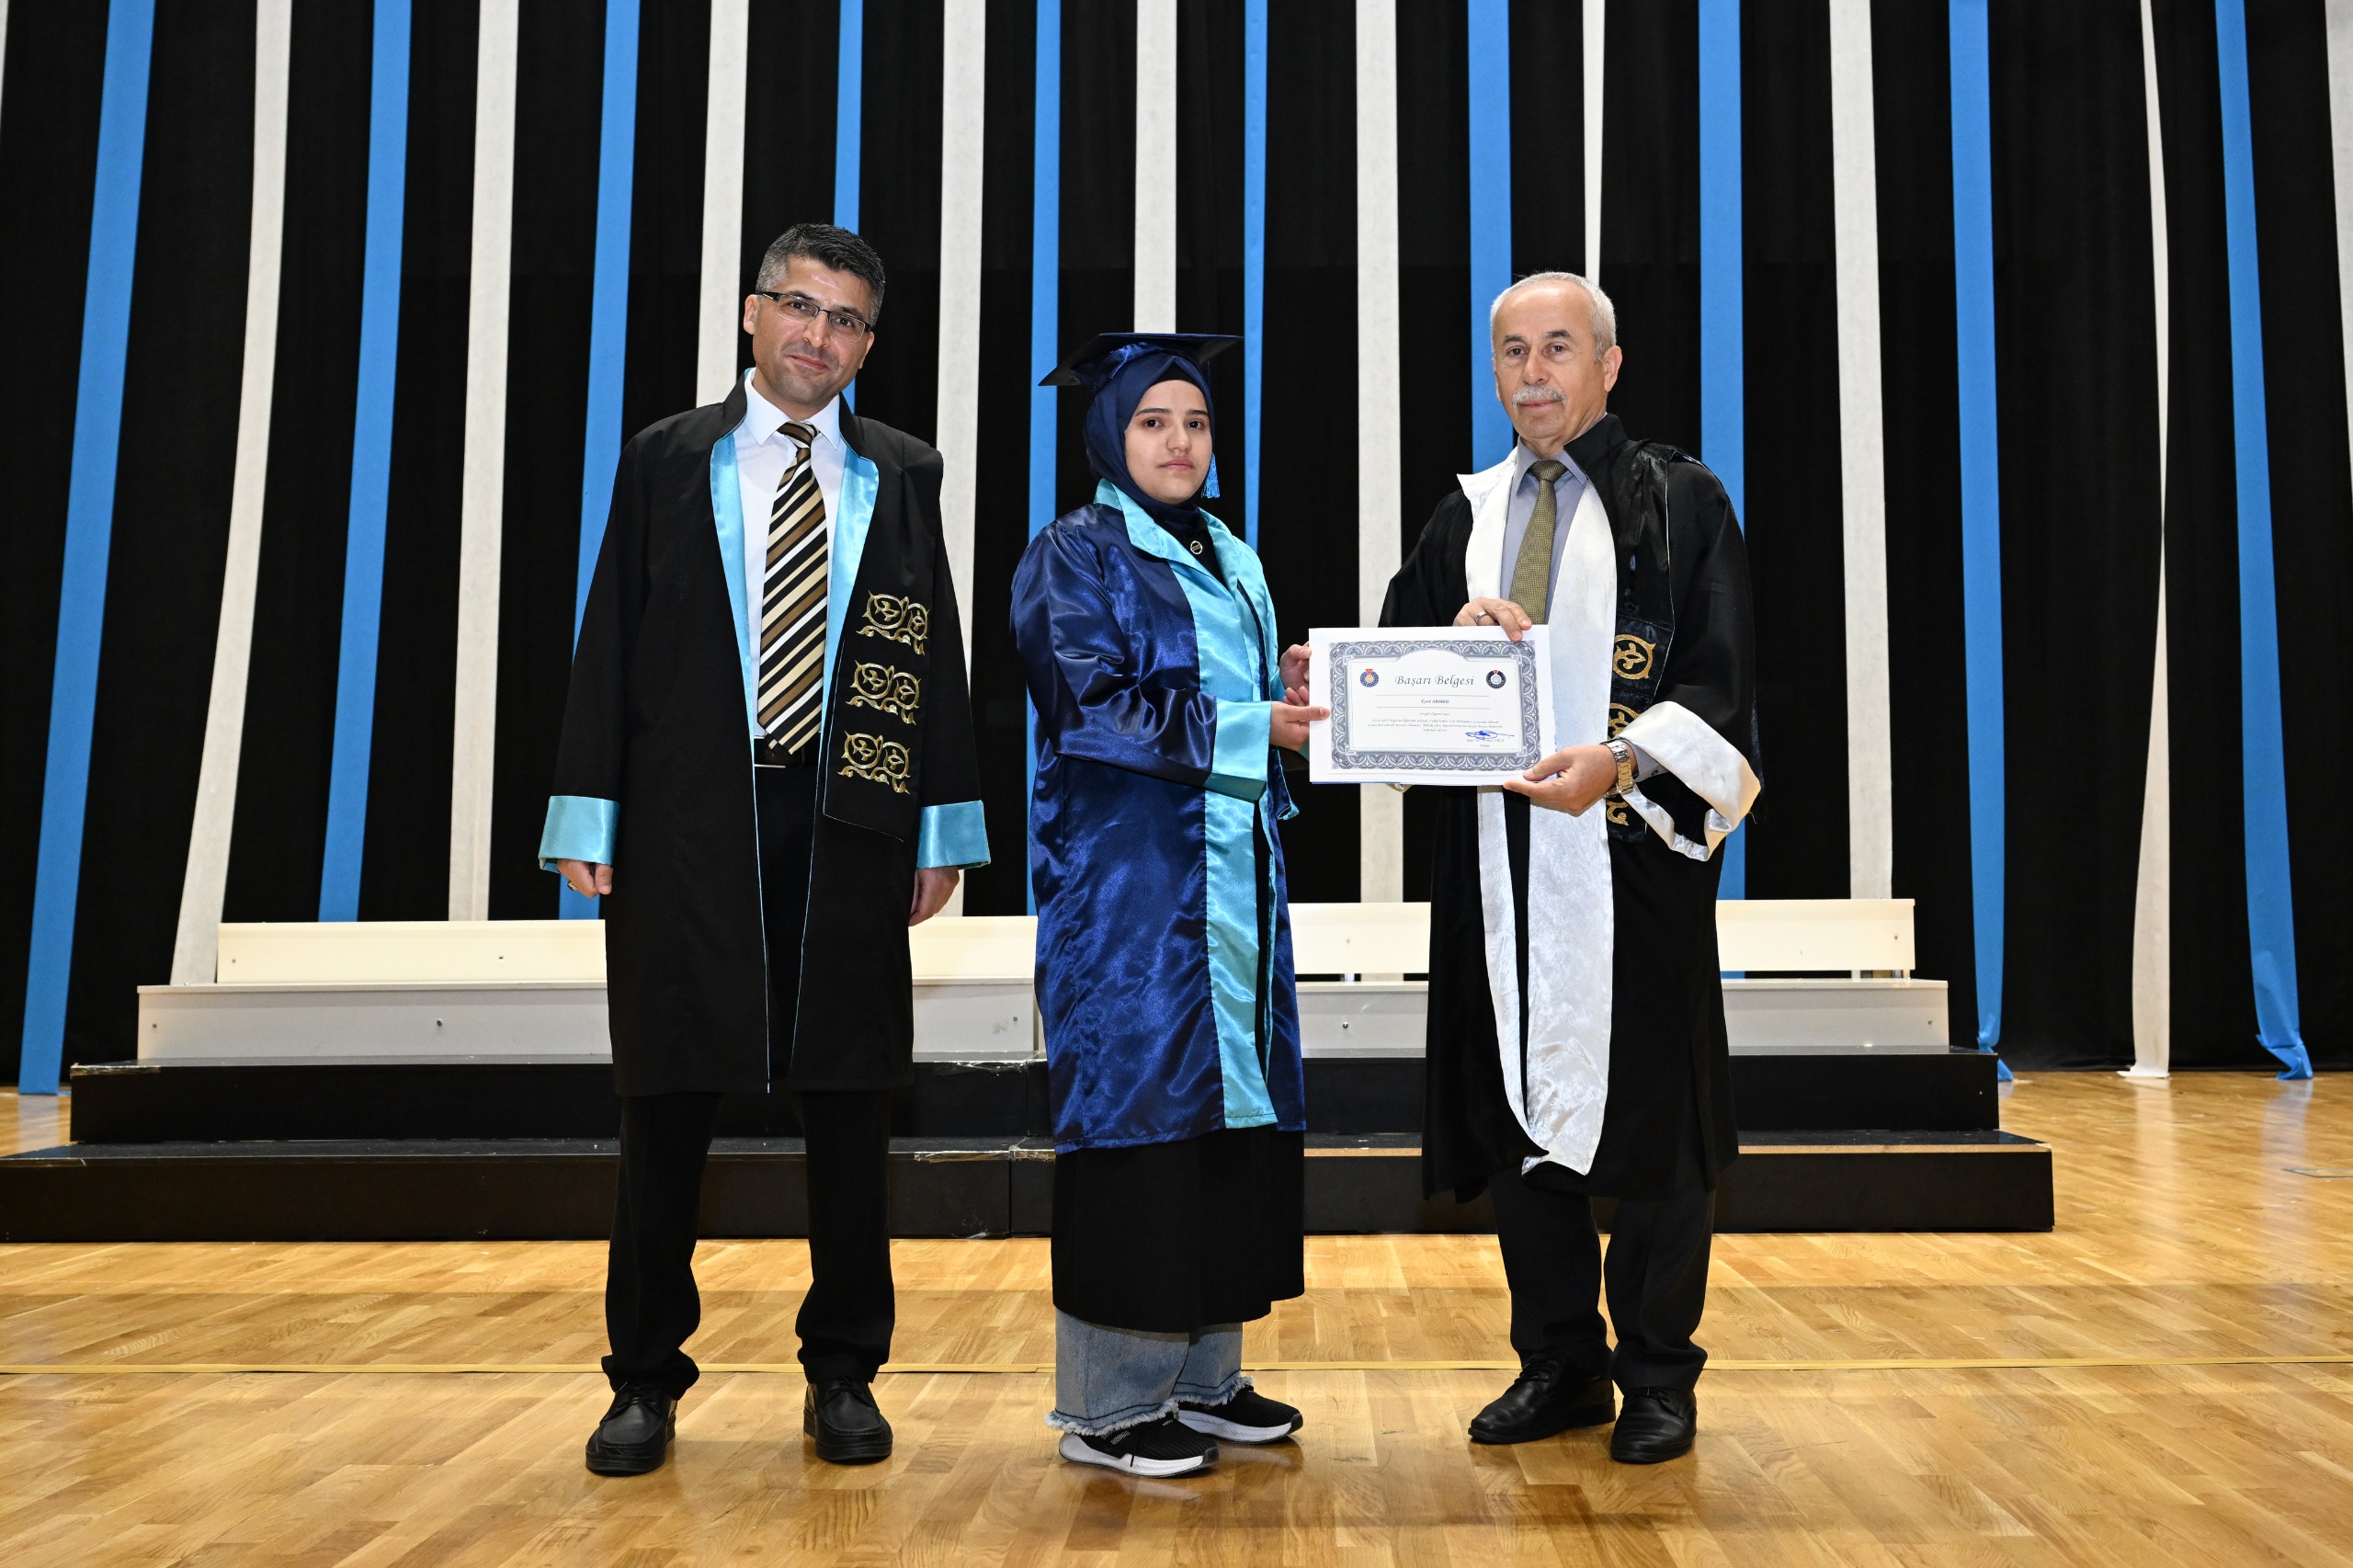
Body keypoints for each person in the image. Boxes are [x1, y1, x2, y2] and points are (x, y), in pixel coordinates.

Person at [541, 222, 987, 1476]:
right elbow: (611, 636)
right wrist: (587, 813)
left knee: (849, 1106)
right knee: (663, 1105)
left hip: (850, 821)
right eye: (799, 306)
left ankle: (844, 1368)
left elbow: (934, 655)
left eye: (846, 320)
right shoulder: (666, 458)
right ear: (752, 312)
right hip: (688, 823)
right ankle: (643, 1376)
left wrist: (942, 826)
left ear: (869, 345)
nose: (818, 336)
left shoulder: (901, 471)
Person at [1380, 272, 1760, 1464]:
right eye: (1513, 351)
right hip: (1496, 860)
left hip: (1629, 851)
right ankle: (1558, 1361)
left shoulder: (1680, 501)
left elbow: (1724, 678)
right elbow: (1395, 672)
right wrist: (1435, 648)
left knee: (1657, 1121)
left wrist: (1622, 760)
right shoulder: (1465, 515)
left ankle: (1656, 1372)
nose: (1534, 371)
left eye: (1558, 347)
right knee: (1515, 1111)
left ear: (1609, 364)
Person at [1010, 333, 1325, 1478]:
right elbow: (1091, 708)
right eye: (1153, 421)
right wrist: (1254, 725)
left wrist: (1289, 691)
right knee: (1138, 1124)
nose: (1179, 441)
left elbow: (1228, 697)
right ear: (1110, 434)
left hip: (1231, 882)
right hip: (1130, 894)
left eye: (1194, 422)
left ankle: (1202, 1377)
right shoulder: (1074, 553)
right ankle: (1109, 1404)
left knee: (1223, 1131)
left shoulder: (1228, 553)